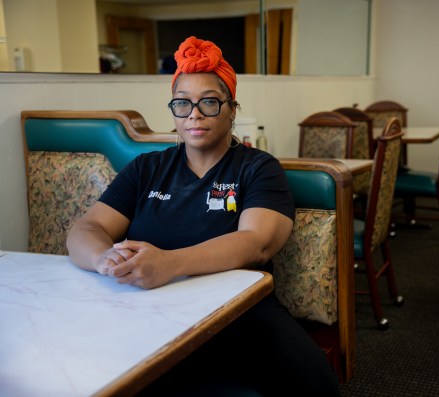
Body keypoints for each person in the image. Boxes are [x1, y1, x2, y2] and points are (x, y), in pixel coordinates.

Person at [67, 36, 340, 397]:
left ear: (232, 108)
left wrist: (169, 263)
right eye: (182, 104)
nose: (194, 114)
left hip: (239, 314)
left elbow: (255, 243)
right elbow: (88, 228)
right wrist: (103, 258)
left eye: (209, 102)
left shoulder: (258, 168)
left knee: (316, 384)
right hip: (147, 308)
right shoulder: (147, 168)